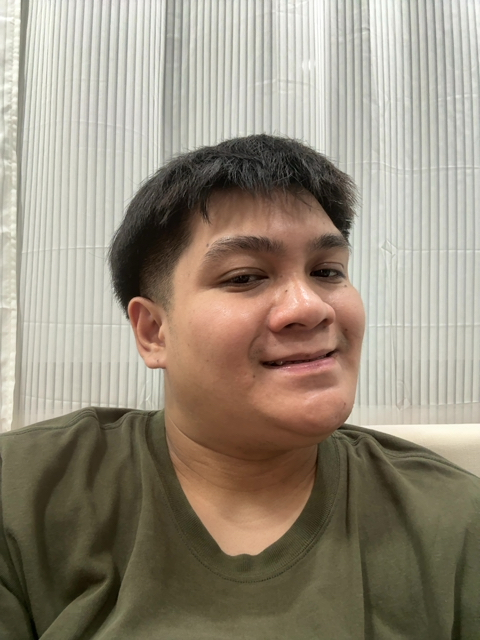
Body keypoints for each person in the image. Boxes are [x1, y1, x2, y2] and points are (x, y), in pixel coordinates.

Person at [0, 134, 479, 639]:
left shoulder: (453, 520)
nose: (310, 307)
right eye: (245, 277)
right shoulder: (25, 493)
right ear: (154, 332)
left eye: (327, 271)